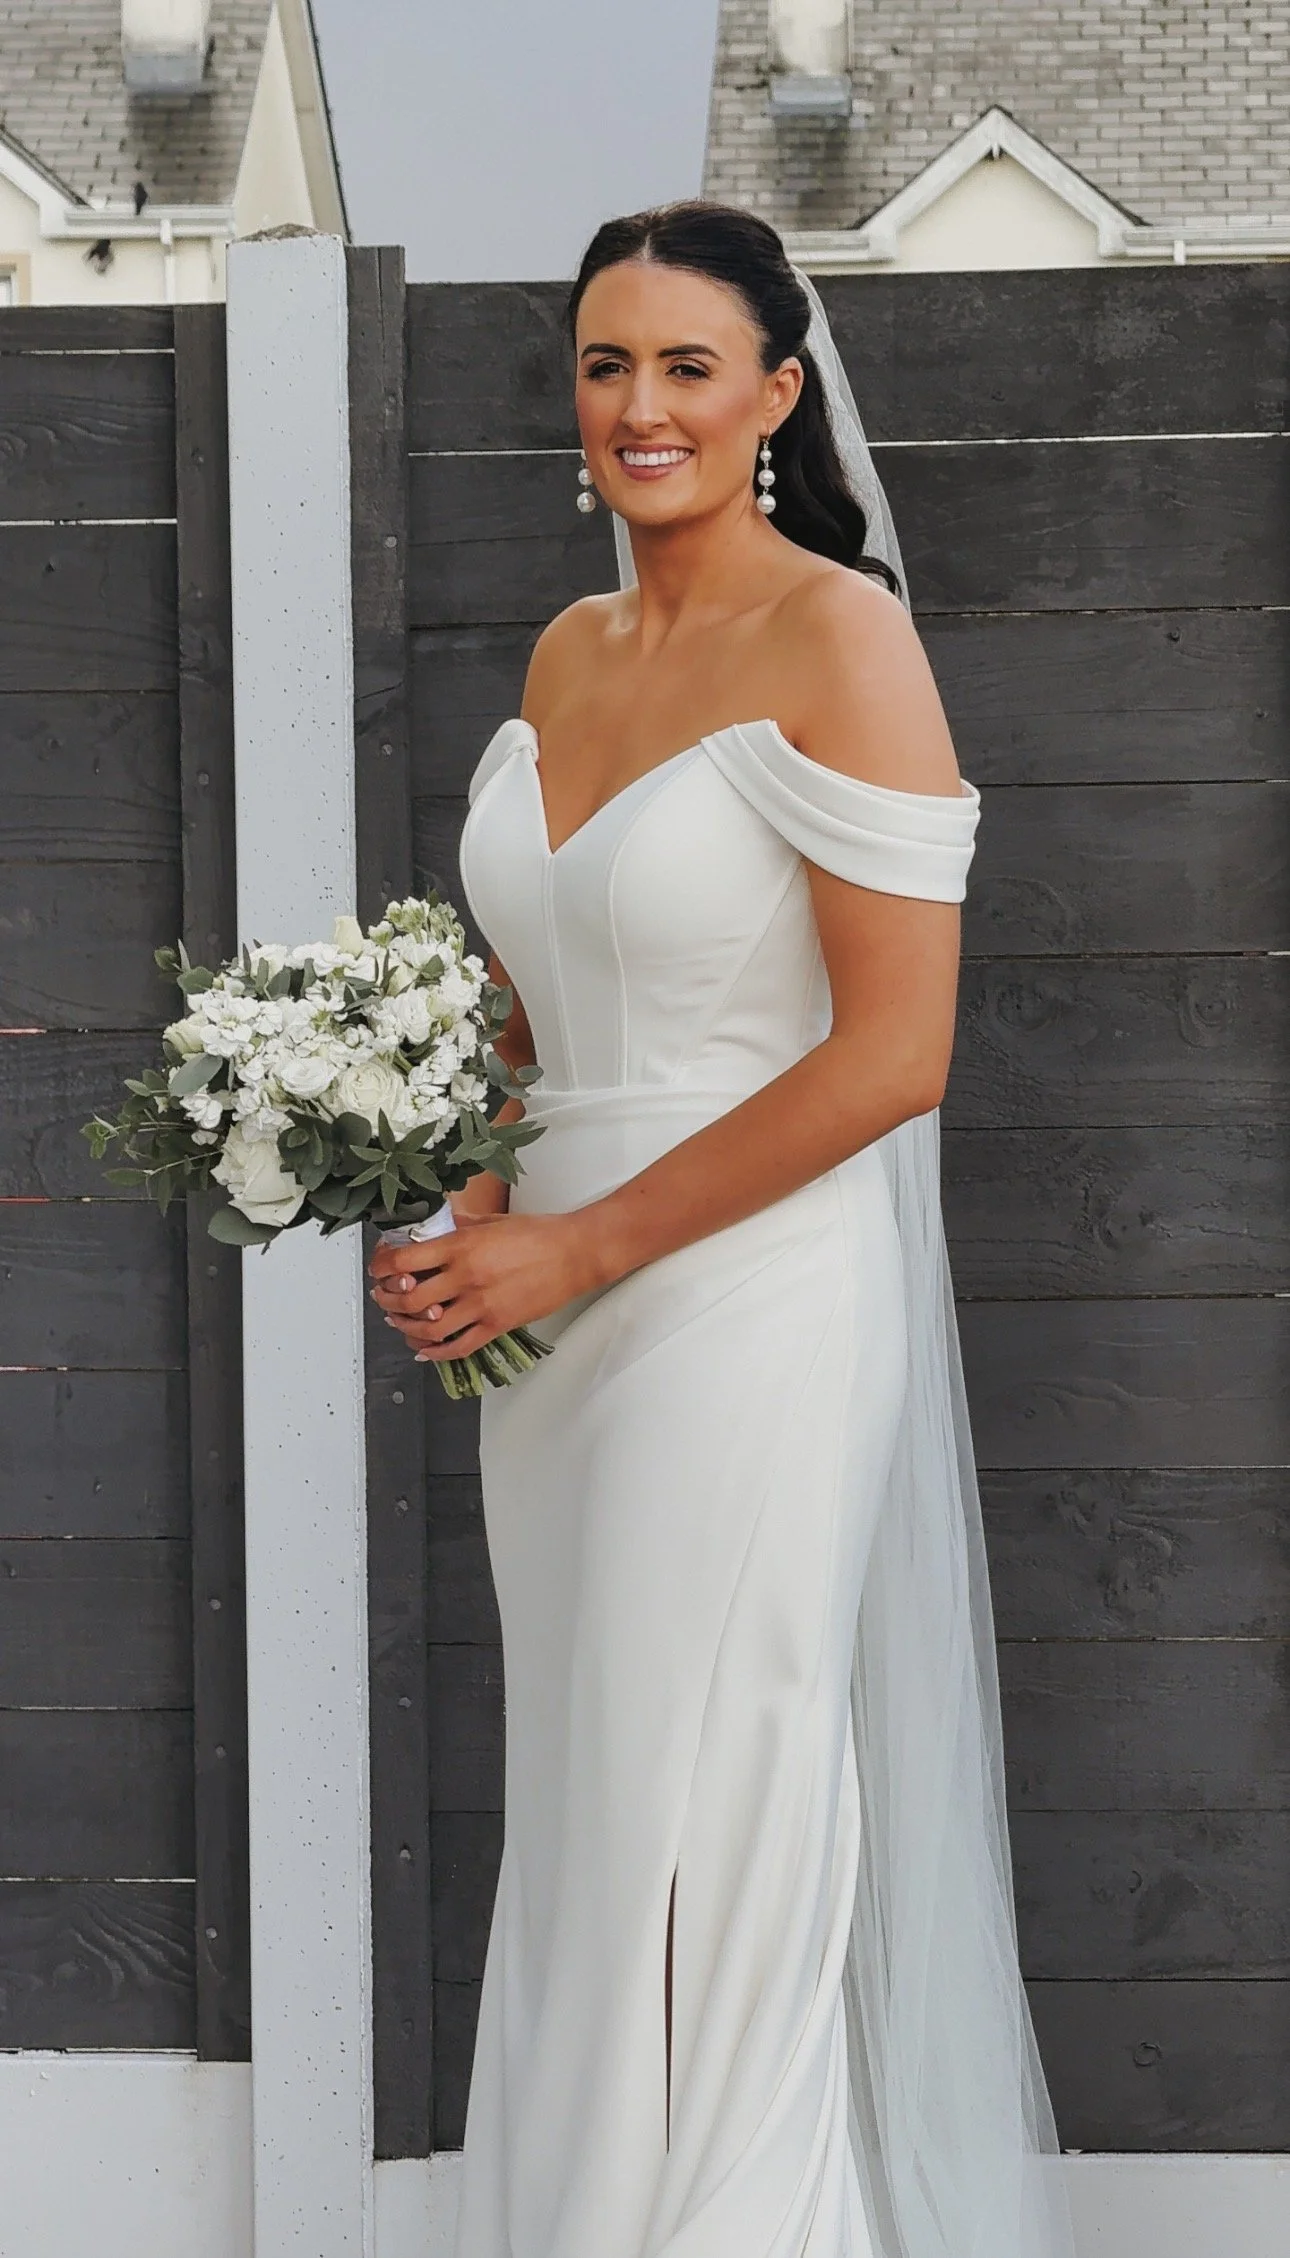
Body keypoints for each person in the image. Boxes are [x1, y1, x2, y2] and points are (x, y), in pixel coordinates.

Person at [368, 200, 1074, 2258]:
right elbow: (530, 993)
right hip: (548, 1316)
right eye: (605, 365)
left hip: (751, 1297)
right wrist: (473, 1197)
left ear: (777, 391)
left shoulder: (840, 634)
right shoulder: (567, 652)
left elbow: (897, 1052)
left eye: (687, 365)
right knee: (595, 1803)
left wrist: (582, 1248)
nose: (640, 406)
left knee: (724, 1804)